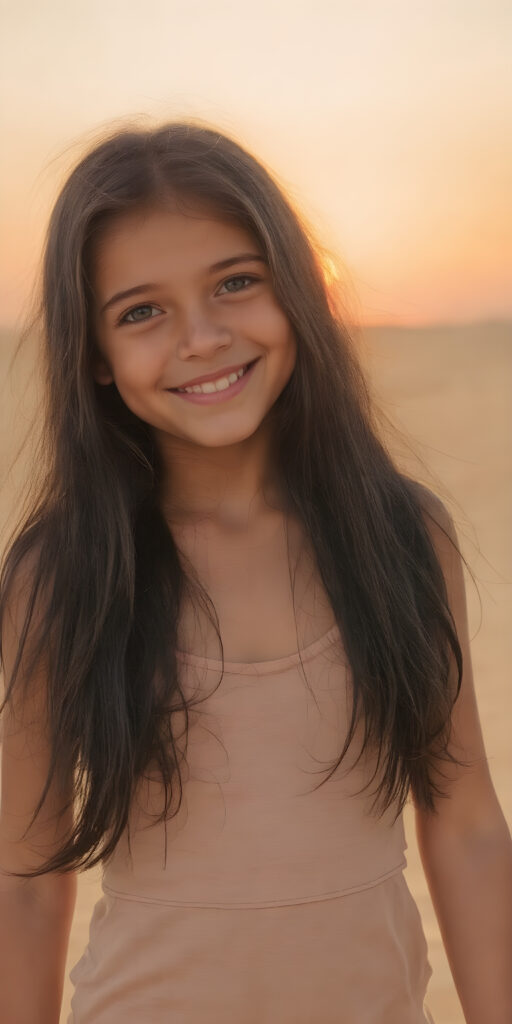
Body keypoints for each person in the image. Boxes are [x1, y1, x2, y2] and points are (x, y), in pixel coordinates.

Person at [0, 121, 510, 1024]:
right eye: (141, 312)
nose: (202, 337)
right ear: (95, 358)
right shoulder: (62, 577)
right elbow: (26, 882)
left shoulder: (400, 537)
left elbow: (465, 823)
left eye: (236, 282)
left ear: (298, 290)